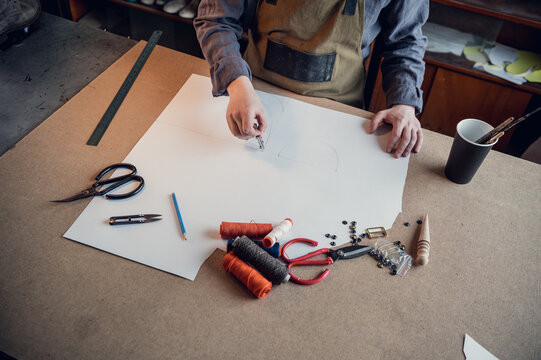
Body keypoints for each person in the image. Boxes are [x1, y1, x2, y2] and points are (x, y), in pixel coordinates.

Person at [194, 0, 428, 158]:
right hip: (254, 91)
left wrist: (403, 104)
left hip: (338, 108)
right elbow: (217, 19)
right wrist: (236, 83)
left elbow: (405, 40)